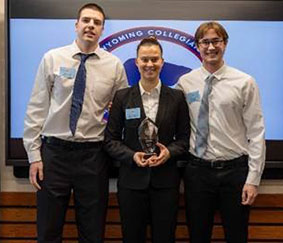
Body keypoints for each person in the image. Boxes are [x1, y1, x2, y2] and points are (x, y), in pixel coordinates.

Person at [23, 3, 128, 242]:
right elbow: (37, 108)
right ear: (76, 25)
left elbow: (119, 112)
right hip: (54, 155)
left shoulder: (114, 66)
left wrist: (107, 117)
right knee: (48, 231)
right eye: (86, 20)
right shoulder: (52, 58)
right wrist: (34, 156)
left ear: (102, 29)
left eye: (97, 22)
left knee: (92, 232)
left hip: (93, 156)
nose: (91, 26)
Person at [177, 21, 266, 243]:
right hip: (197, 172)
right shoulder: (185, 83)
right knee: (198, 236)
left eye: (216, 41)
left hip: (235, 173)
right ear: (198, 46)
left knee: (237, 236)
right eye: (205, 42)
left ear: (225, 44)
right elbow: (167, 115)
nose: (210, 47)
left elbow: (256, 132)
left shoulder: (244, 82)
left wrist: (253, 179)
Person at [104, 37, 190, 243]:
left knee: (165, 237)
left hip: (166, 183)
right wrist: (132, 156)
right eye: (145, 59)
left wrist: (169, 152)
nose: (149, 64)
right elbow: (110, 140)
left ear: (162, 62)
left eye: (154, 59)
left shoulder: (177, 97)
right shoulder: (122, 97)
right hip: (131, 183)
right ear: (136, 62)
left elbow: (185, 139)